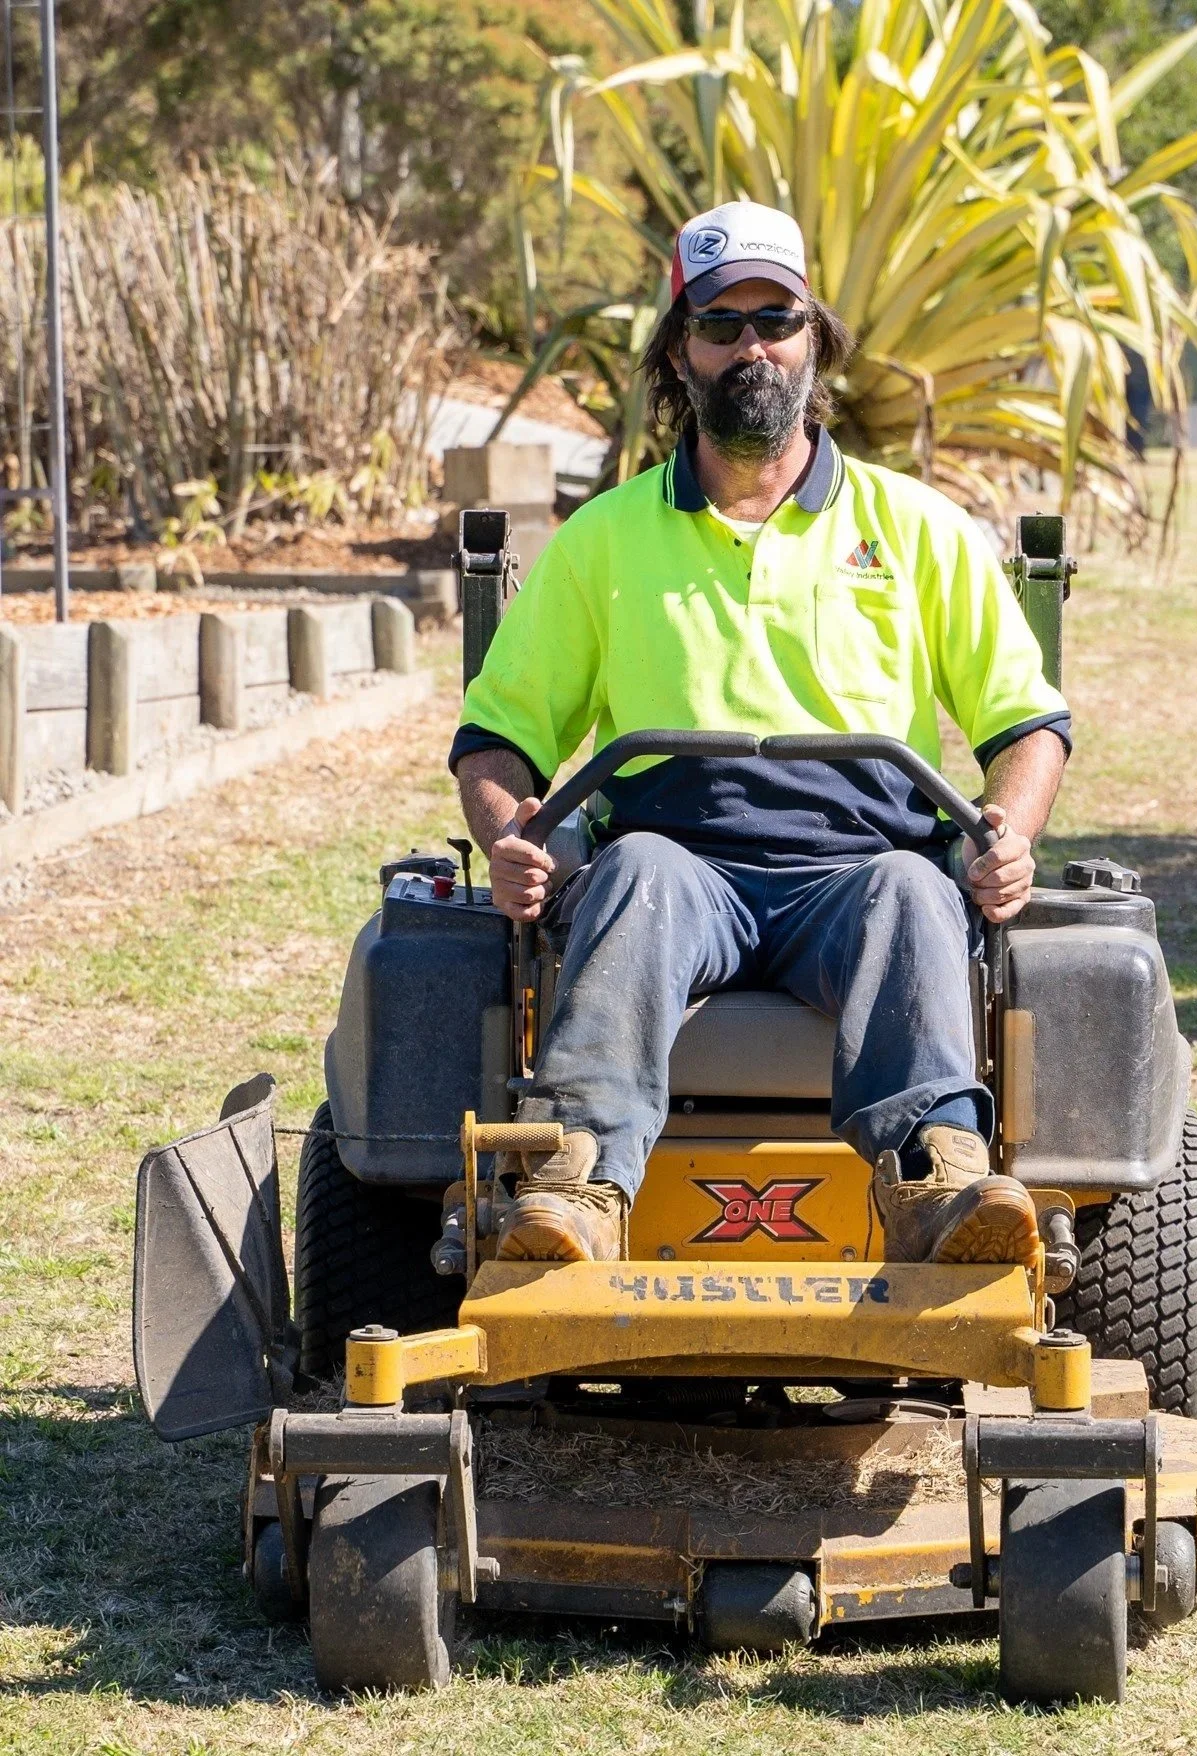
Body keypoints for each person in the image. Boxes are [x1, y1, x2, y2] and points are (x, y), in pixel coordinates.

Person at [451, 201, 1071, 1266]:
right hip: (679, 867)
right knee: (635, 872)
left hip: (858, 869)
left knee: (915, 889)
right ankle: (576, 1191)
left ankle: (937, 1186)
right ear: (678, 351)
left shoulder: (916, 530)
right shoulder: (601, 541)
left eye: (774, 319)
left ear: (814, 341)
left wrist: (1005, 833)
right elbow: (497, 737)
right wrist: (513, 839)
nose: (750, 346)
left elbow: (1026, 722)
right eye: (719, 322)